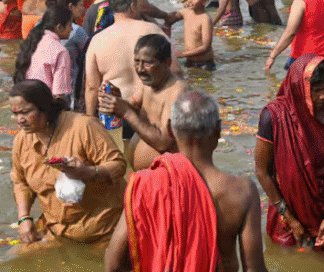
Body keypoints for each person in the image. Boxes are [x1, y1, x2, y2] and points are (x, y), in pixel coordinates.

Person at [104, 91, 268, 272]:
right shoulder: (242, 191)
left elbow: (113, 265)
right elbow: (254, 269)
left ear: (169, 130)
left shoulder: (144, 185)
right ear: (218, 130)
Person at [255, 55, 324, 256]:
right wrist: (290, 218)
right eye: (316, 91)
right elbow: (261, 171)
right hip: (287, 216)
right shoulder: (274, 117)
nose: (322, 97)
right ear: (298, 89)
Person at [9, 80, 125, 248]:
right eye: (15, 113)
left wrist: (87, 173)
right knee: (17, 262)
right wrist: (24, 218)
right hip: (56, 229)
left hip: (103, 230)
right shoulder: (22, 140)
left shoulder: (82, 126)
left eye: (26, 112)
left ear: (45, 108)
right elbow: (20, 182)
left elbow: (118, 165)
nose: (20, 120)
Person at [97, 34, 188, 173]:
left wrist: (125, 112)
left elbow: (163, 142)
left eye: (147, 63)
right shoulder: (149, 83)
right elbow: (132, 106)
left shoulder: (177, 91)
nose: (140, 69)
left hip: (165, 178)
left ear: (167, 63)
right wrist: (116, 99)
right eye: (137, 61)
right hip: (143, 176)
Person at [84, 0, 171, 120]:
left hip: (114, 114)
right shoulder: (153, 30)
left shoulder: (98, 40)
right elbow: (175, 70)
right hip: (148, 112)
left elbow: (91, 87)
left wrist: (90, 121)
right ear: (132, 6)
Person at [13, 2, 73, 101]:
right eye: (70, 24)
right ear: (59, 27)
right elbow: (59, 95)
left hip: (25, 101)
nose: (72, 28)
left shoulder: (33, 40)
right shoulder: (61, 51)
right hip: (44, 107)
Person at [168, 0, 215, 70]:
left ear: (205, 1)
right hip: (189, 61)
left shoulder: (205, 19)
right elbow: (170, 17)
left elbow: (206, 47)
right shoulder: (186, 12)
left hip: (204, 64)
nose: (190, 1)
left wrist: (182, 54)